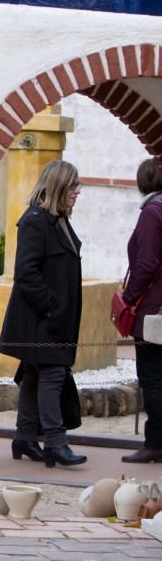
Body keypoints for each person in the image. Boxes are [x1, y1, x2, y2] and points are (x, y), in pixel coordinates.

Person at [0, 160, 85, 468]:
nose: (78, 191)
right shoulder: (36, 220)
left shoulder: (57, 220)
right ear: (59, 186)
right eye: (74, 185)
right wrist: (52, 307)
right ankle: (56, 442)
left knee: (35, 373)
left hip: (54, 320)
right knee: (52, 374)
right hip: (41, 320)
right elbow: (26, 273)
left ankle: (24, 437)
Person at [121, 158, 162, 463]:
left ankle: (155, 442)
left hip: (152, 310)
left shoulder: (152, 212)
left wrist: (130, 297)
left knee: (152, 376)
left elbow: (146, 263)